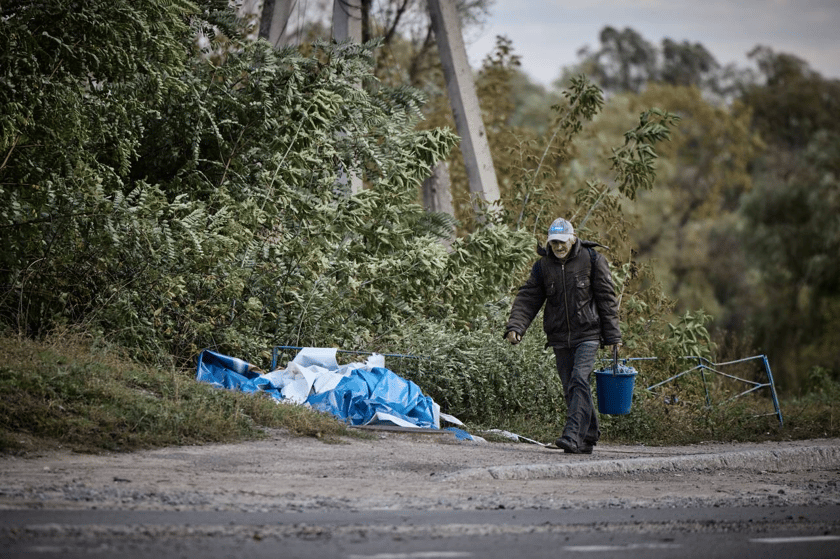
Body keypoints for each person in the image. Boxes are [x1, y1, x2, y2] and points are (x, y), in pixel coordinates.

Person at [504, 217, 622, 454]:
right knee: (571, 385)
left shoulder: (592, 260)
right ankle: (587, 436)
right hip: (559, 337)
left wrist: (613, 338)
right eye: (554, 242)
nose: (558, 247)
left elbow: (607, 300)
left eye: (562, 242)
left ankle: (571, 436)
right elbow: (528, 298)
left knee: (579, 379)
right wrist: (515, 326)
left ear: (573, 238)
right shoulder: (542, 266)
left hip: (588, 333)